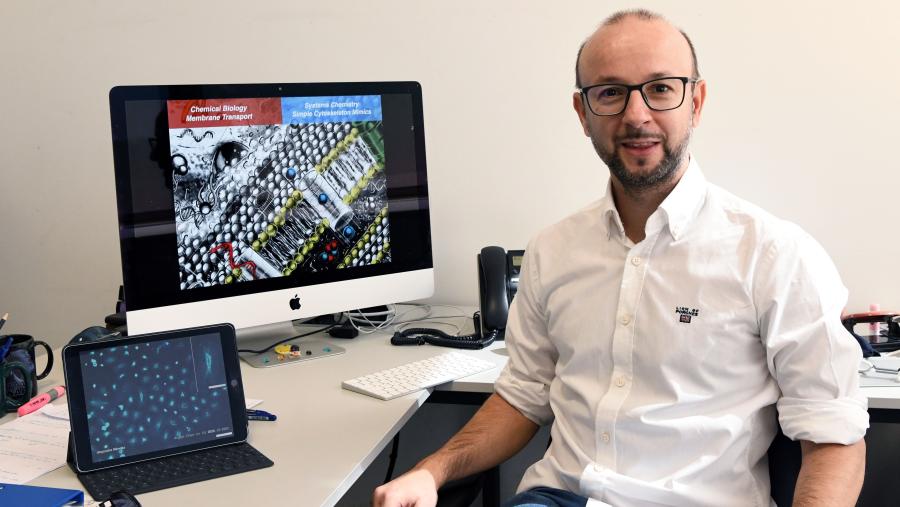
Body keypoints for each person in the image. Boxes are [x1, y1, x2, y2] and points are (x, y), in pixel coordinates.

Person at [373, 9, 868, 507]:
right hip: (557, 499)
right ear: (582, 112)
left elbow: (833, 437)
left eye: (660, 88)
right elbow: (522, 398)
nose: (636, 115)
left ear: (695, 101)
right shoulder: (554, 250)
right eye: (610, 92)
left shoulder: (776, 255)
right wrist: (429, 472)